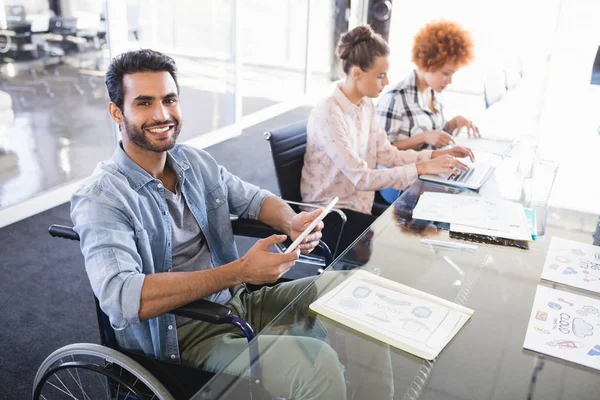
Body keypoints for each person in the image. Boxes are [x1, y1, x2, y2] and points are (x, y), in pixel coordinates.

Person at [71, 49, 391, 399]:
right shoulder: (102, 198)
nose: (162, 114)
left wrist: (292, 221)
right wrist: (239, 271)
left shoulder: (192, 161)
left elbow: (253, 199)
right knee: (317, 365)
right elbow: (121, 297)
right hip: (180, 337)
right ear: (116, 112)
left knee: (361, 294)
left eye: (170, 99)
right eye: (144, 103)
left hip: (234, 303)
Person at [301, 25, 474, 253]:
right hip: (329, 217)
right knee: (409, 247)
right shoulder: (329, 114)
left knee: (422, 231)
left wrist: (434, 155)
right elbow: (361, 178)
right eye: (381, 75)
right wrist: (422, 167)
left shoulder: (365, 105)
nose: (387, 81)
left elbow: (388, 154)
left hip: (359, 207)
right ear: (357, 74)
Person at [375, 20, 478, 203]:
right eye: (446, 73)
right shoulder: (395, 98)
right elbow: (381, 153)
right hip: (398, 184)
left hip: (430, 172)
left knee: (473, 190)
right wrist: (422, 138)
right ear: (427, 63)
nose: (450, 81)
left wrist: (452, 124)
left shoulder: (432, 92)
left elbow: (434, 135)